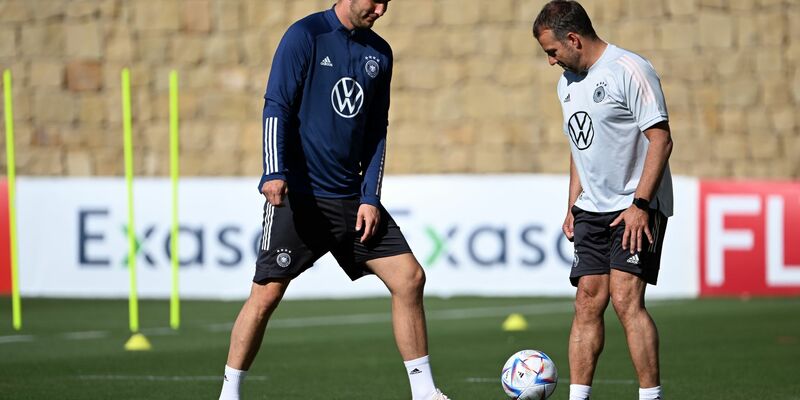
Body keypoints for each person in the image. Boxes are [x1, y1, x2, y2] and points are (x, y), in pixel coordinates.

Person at [218, 1, 450, 399]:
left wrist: (370, 196)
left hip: (351, 201)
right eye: (373, 0)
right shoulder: (305, 36)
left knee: (409, 278)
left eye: (386, 2)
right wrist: (273, 171)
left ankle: (425, 393)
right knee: (266, 294)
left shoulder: (380, 52)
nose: (380, 9)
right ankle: (229, 393)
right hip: (300, 198)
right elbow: (277, 105)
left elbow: (377, 129)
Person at [532, 2, 673, 400]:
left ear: (573, 39)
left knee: (627, 301)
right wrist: (572, 204)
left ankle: (651, 396)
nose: (550, 61)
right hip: (591, 208)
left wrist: (640, 206)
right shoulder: (566, 83)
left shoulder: (630, 69)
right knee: (586, 302)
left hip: (635, 207)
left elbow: (660, 139)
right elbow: (580, 145)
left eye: (552, 51)